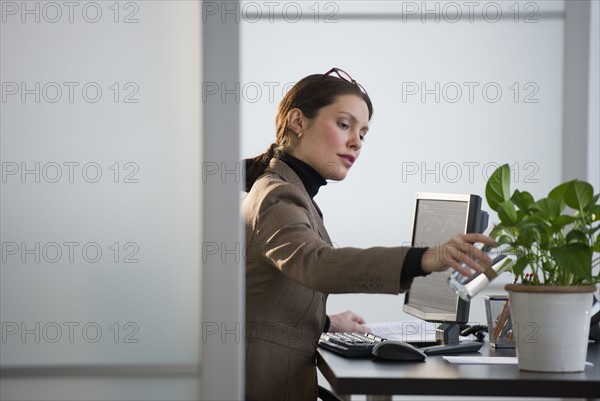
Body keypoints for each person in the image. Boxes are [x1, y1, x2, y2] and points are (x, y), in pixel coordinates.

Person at [242, 67, 494, 401]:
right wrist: (426, 258)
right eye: (344, 125)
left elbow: (266, 304)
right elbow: (315, 264)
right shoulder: (277, 195)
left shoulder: (288, 192)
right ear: (298, 121)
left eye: (363, 133)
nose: (356, 142)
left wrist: (328, 323)